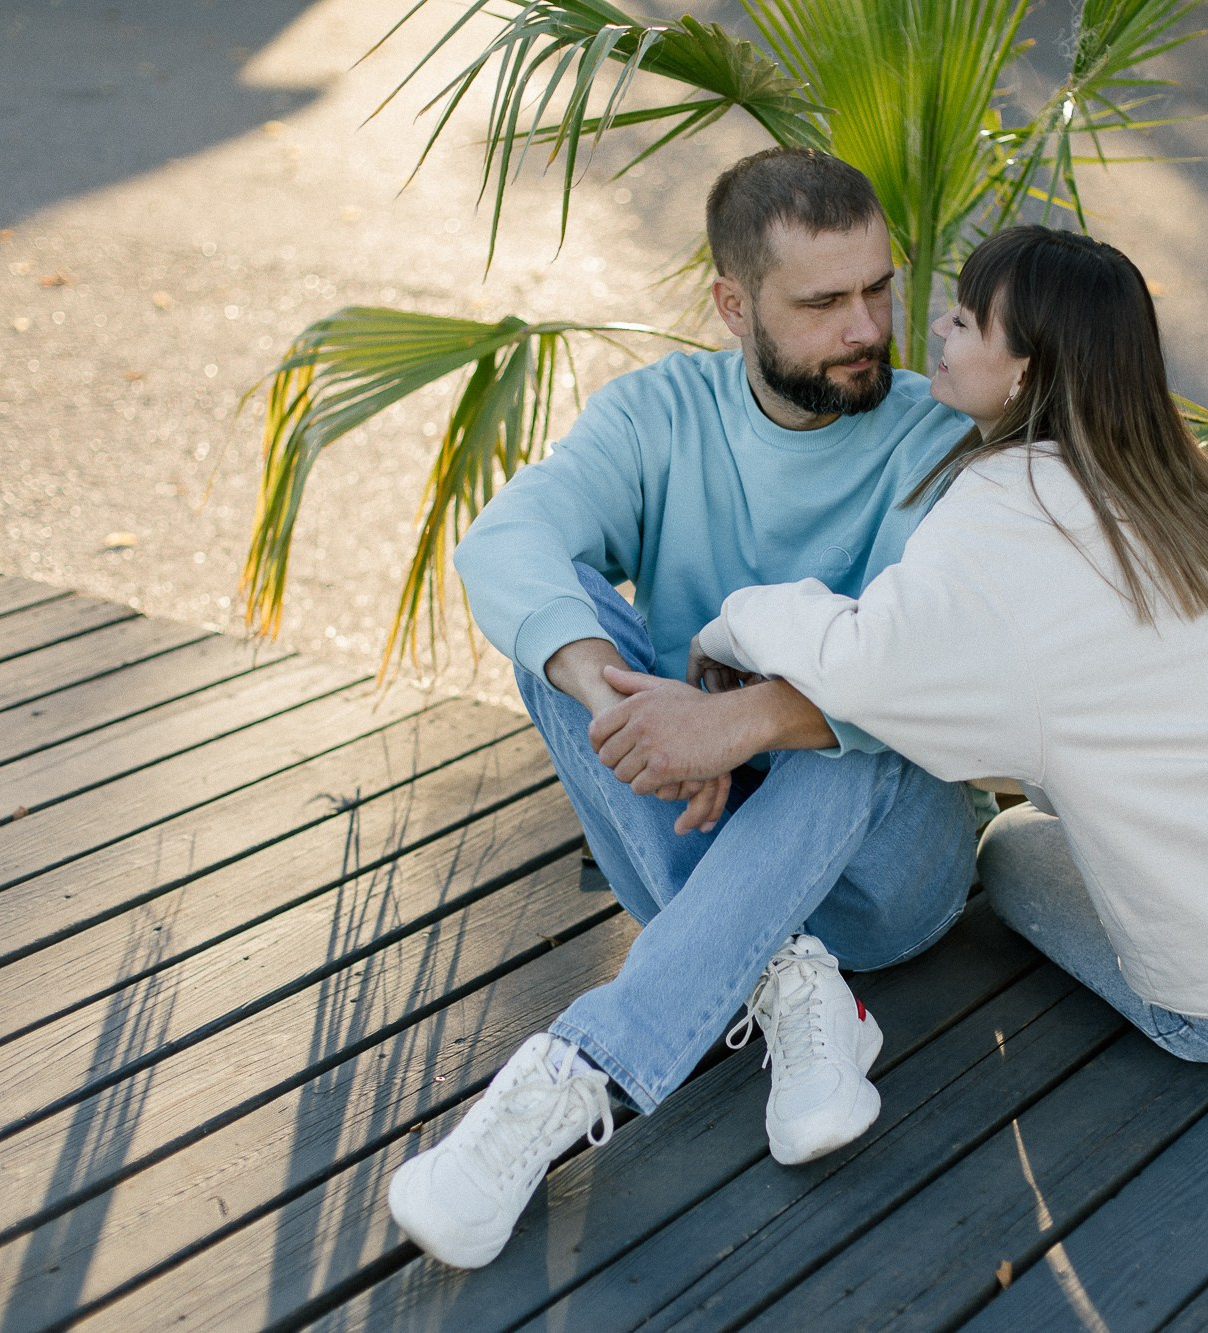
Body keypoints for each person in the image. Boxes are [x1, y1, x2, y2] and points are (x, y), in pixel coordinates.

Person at [629, 224, 1208, 1073]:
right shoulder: (1182, 486)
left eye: (964, 318)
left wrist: (733, 619)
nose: (937, 331)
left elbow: (866, 666)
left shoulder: (1000, 513)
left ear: (1027, 373)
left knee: (1016, 844)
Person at [386, 148, 983, 1270]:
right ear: (730, 304)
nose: (863, 326)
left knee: (858, 712)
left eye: (877, 288)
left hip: (888, 879)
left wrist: (743, 721)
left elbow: (923, 666)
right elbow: (505, 542)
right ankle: (788, 977)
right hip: (693, 837)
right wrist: (611, 689)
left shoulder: (934, 437)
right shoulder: (656, 416)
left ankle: (572, 1075)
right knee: (559, 641)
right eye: (820, 302)